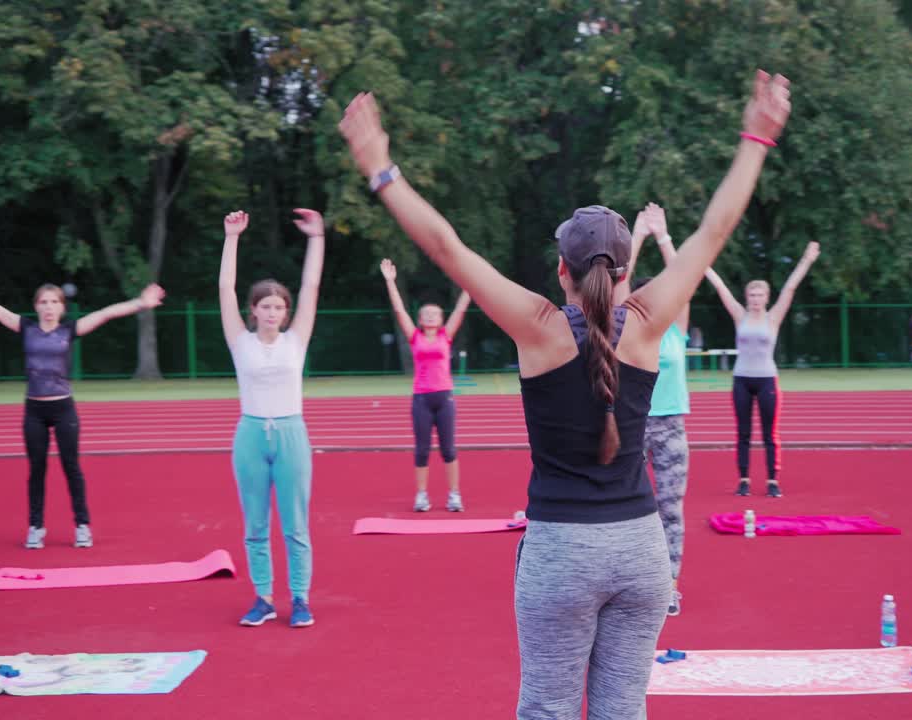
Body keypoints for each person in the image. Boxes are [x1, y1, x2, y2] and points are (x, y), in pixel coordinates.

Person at [339, 69, 791, 719]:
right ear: (627, 270)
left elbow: (446, 248)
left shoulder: (539, 328)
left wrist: (381, 169)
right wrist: (756, 138)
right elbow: (714, 232)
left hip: (561, 551)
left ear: (561, 270)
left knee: (548, 710)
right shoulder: (647, 322)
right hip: (641, 551)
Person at [0, 261, 165, 549]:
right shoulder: (26, 328)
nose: (49, 307)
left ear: (62, 307)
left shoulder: (68, 331)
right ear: (36, 306)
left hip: (63, 409)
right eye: (43, 302)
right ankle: (35, 527)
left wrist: (140, 303)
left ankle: (82, 526)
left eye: (54, 302)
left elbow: (105, 313)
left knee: (71, 468)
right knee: (37, 470)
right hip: (34, 411)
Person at [219, 208, 324, 628]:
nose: (272, 312)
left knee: (295, 525)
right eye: (265, 306)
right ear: (254, 310)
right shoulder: (239, 341)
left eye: (279, 306)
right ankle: (263, 598)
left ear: (285, 312)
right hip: (250, 436)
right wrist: (232, 238)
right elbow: (225, 288)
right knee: (255, 525)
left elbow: (311, 286)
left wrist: (316, 238)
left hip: (291, 434)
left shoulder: (296, 340)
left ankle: (300, 598)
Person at [704, 242, 820, 498]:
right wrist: (703, 263)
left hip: (767, 379)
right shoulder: (739, 315)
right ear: (747, 297)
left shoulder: (773, 317)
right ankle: (744, 480)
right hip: (741, 380)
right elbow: (721, 287)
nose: (755, 299)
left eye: (760, 295)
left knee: (770, 434)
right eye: (752, 295)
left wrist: (807, 260)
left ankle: (772, 481)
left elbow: (790, 288)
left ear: (766, 298)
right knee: (743, 433)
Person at [624, 202, 690, 617]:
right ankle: (626, 582)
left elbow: (683, 275)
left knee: (670, 509)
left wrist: (663, 236)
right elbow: (617, 283)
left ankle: (669, 587)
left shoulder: (676, 330)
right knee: (625, 508)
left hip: (671, 428)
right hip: (631, 425)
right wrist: (636, 236)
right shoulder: (627, 328)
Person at [379, 258, 472, 512]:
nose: (430, 316)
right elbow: (399, 310)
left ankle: (454, 495)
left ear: (441, 319)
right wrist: (390, 282)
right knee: (421, 450)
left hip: (444, 399)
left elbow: (460, 309)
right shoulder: (414, 337)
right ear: (419, 319)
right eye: (426, 313)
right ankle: (421, 495)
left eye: (435, 313)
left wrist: (469, 283)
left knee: (448, 449)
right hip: (421, 399)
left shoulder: (446, 335)